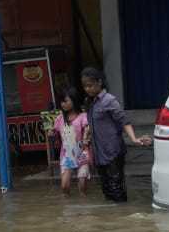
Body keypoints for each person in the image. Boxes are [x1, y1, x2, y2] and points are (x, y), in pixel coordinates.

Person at [81, 67, 150, 202]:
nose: (87, 89)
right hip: (99, 153)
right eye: (85, 86)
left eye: (90, 85)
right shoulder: (89, 102)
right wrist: (87, 134)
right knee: (106, 189)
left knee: (116, 187)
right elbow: (93, 122)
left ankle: (122, 215)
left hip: (113, 152)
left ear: (99, 82)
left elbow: (124, 121)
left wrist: (134, 138)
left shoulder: (109, 100)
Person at [49, 88, 91, 197]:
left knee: (82, 185)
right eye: (62, 101)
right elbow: (54, 131)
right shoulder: (59, 119)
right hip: (66, 155)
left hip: (82, 153)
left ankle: (85, 209)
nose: (63, 104)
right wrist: (52, 133)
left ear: (74, 100)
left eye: (66, 101)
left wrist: (86, 136)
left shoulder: (82, 116)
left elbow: (87, 128)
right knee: (64, 186)